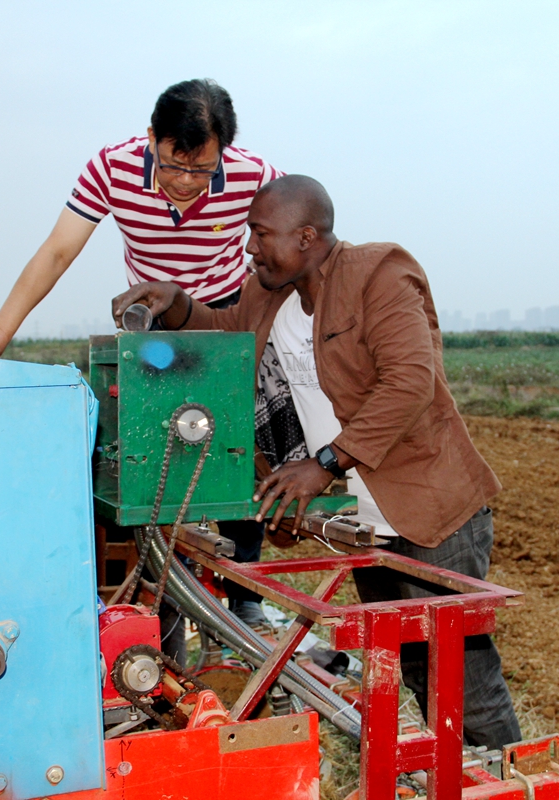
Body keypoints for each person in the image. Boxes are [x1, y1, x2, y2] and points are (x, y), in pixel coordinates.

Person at [110, 174, 521, 749]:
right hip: (365, 522)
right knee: (411, 666)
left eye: (259, 234)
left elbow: (410, 381)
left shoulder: (380, 274)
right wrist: (176, 303)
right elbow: (226, 336)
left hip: (431, 509)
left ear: (307, 236)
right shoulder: (269, 294)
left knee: (461, 677)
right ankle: (451, 778)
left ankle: (511, 772)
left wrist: (325, 462)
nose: (249, 248)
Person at [0, 78, 278, 648]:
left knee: (233, 452)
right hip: (153, 329)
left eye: (202, 171)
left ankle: (245, 600)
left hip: (227, 323)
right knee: (147, 450)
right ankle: (155, 589)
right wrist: (1, 330)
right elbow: (58, 249)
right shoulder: (112, 168)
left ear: (224, 153)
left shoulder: (256, 176)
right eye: (174, 165)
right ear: (152, 140)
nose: (185, 184)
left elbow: (291, 245)